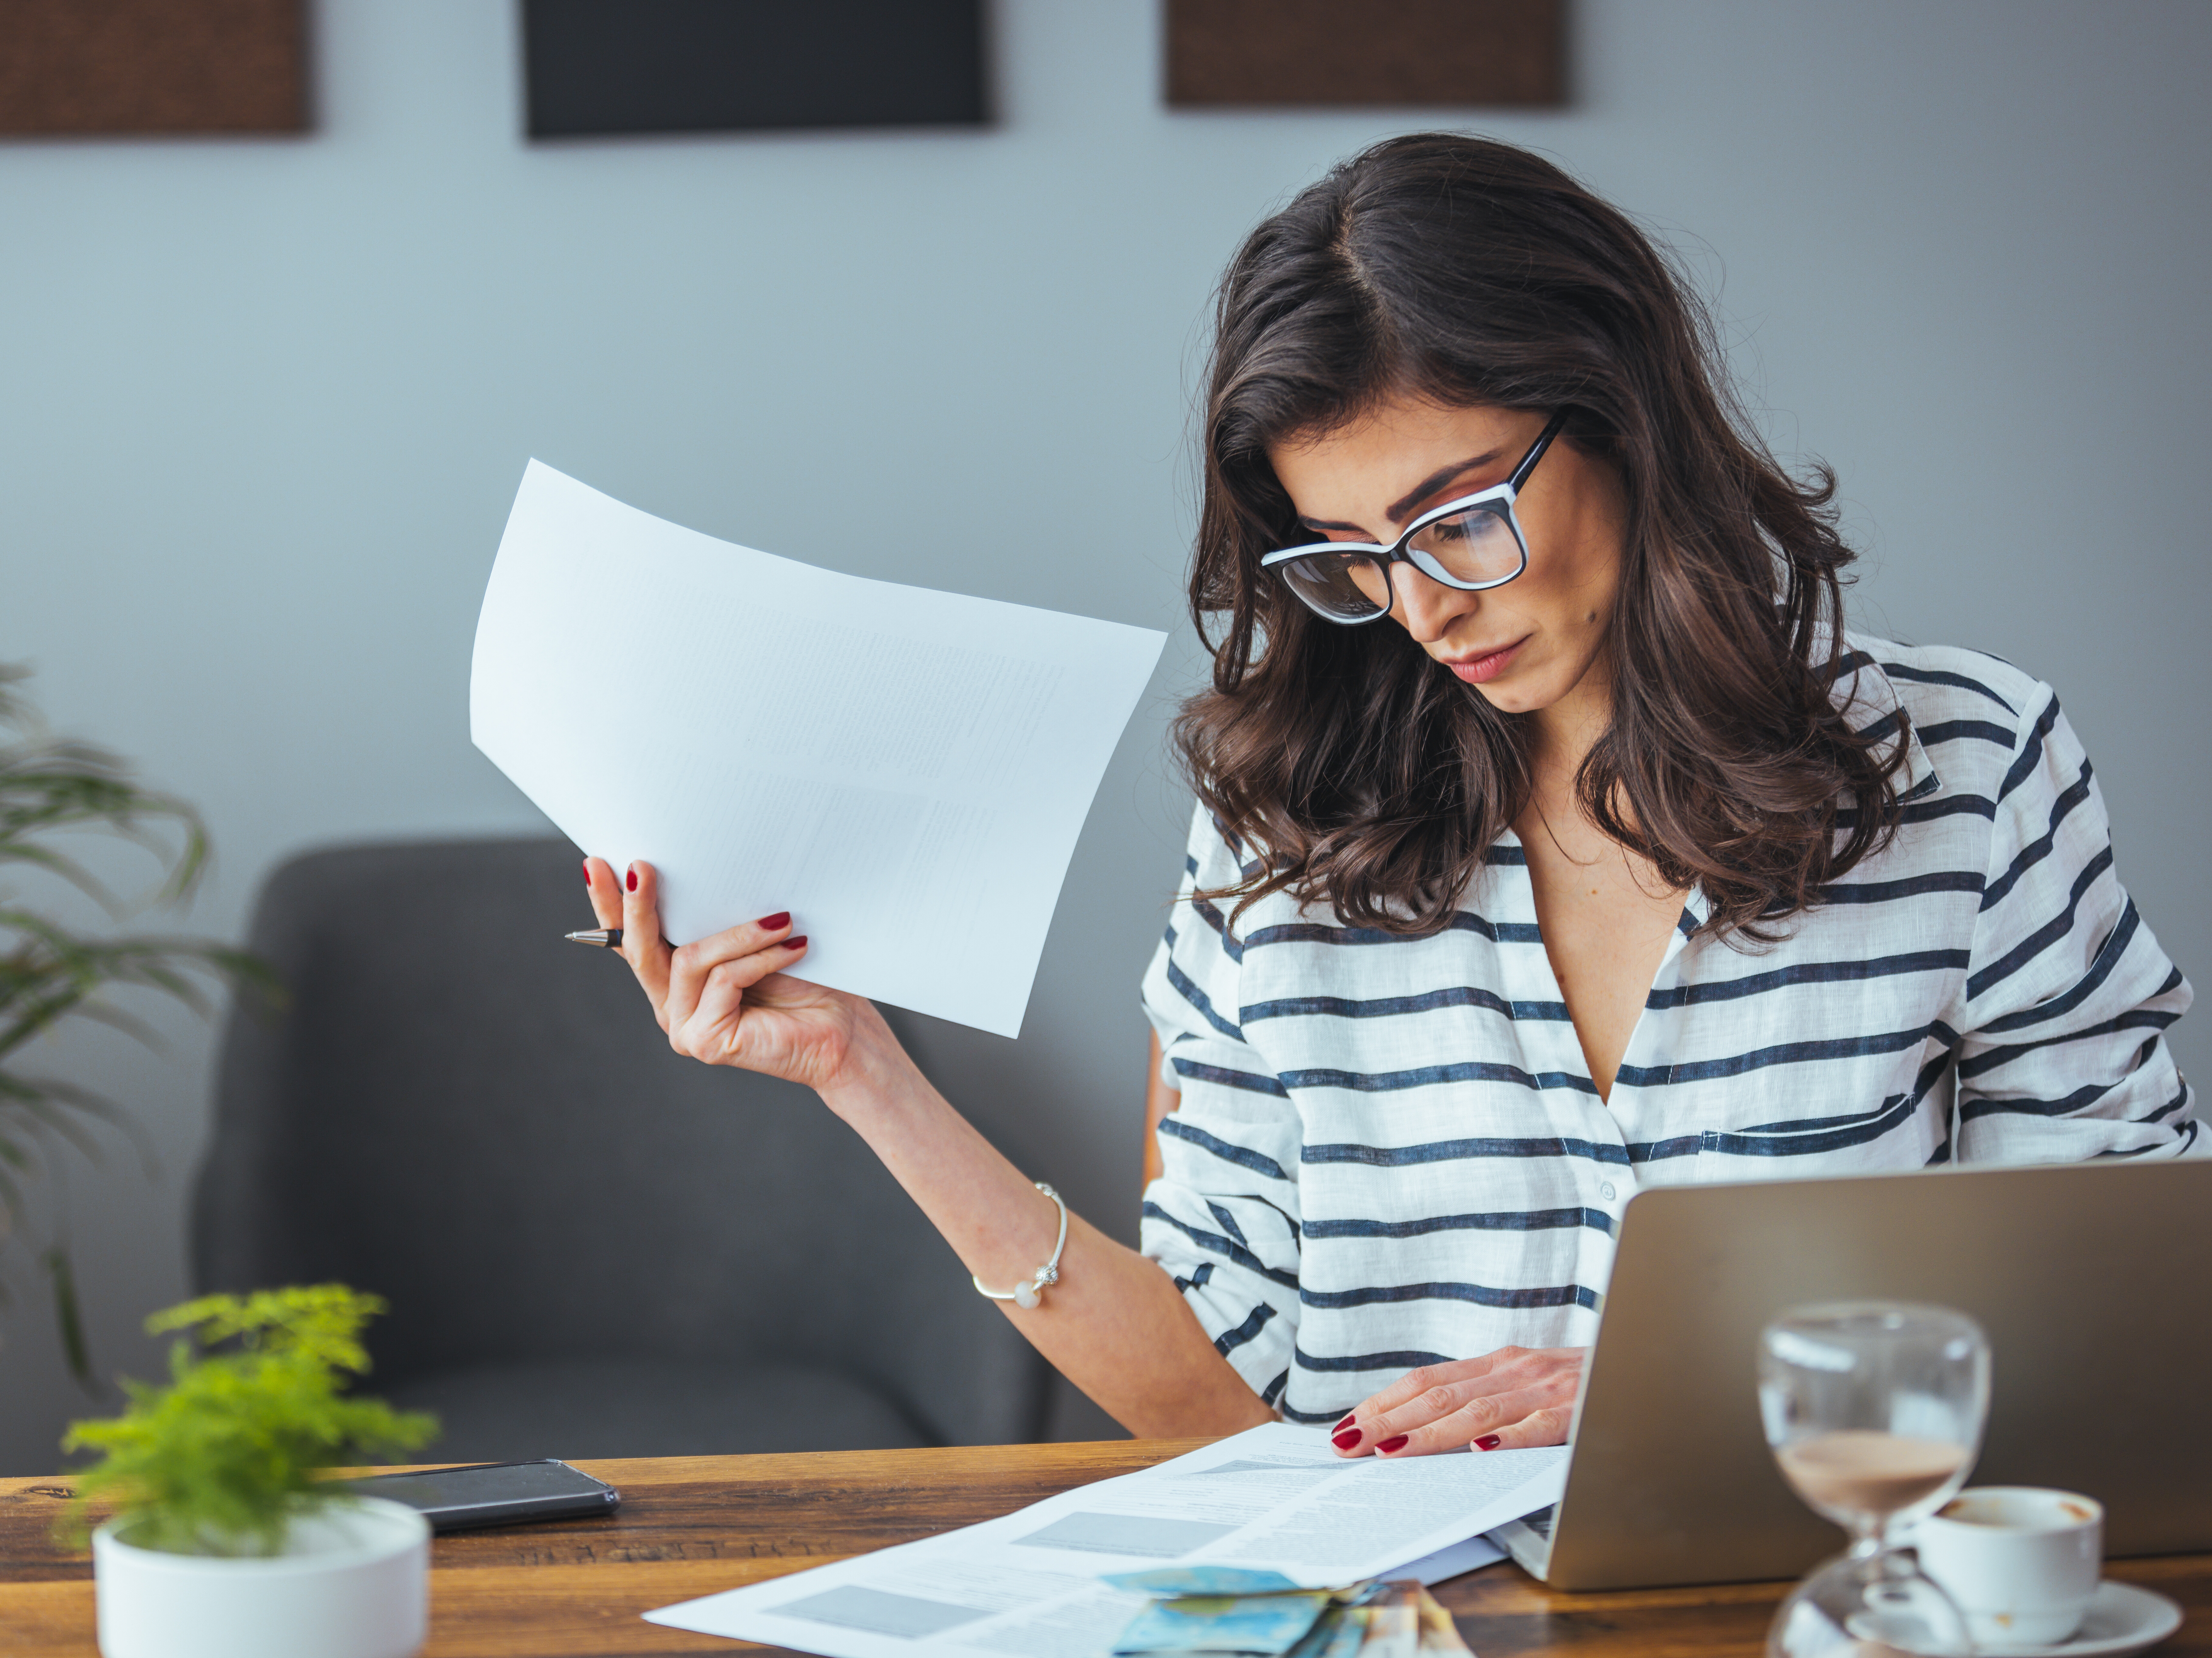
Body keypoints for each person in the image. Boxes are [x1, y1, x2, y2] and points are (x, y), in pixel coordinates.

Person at [579, 133, 2196, 1459]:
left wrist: (1685, 1400)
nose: (1423, 607)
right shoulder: (1280, 835)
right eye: (1351, 554)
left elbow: (2128, 1320)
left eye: (1460, 515)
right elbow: (1224, 1395)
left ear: (1624, 413)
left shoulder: (1970, 773)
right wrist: (865, 1070)